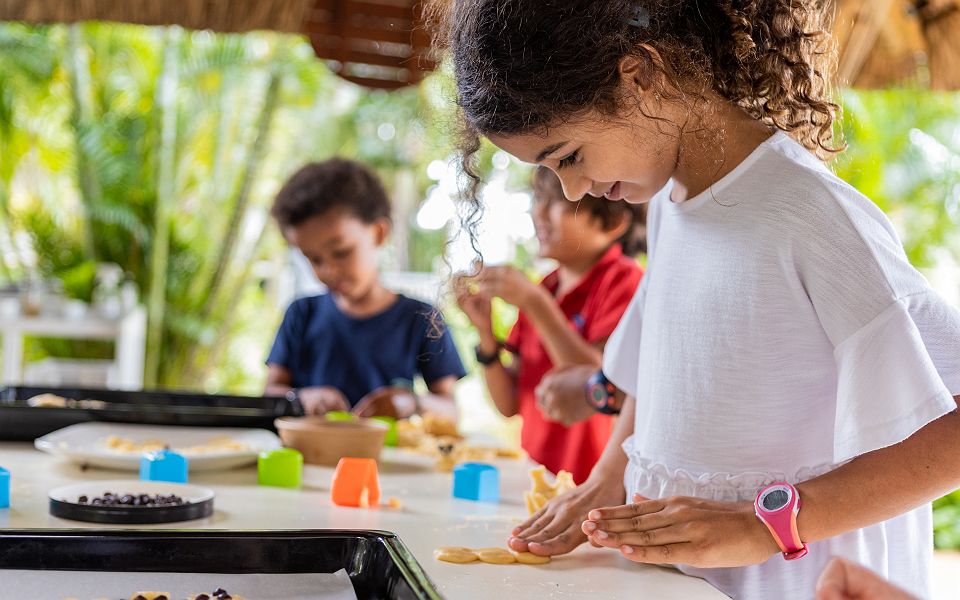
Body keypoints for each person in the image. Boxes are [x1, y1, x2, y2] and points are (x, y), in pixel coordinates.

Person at [433, 1, 960, 598]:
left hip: (801, 581)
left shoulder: (811, 216)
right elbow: (654, 373)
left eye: (569, 157)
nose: (573, 190)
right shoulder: (668, 205)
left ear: (642, 75)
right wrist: (608, 477)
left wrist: (764, 525)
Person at [455, 167, 645, 483]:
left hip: (593, 486)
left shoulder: (624, 281)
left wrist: (535, 303)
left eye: (559, 201)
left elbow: (602, 383)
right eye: (538, 198)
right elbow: (509, 404)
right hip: (536, 479)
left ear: (613, 222)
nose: (538, 213)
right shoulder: (546, 287)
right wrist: (485, 334)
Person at [265, 158, 466, 419]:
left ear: (379, 233)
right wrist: (301, 398)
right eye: (314, 259)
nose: (329, 270)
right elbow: (270, 393)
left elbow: (450, 411)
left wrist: (410, 402)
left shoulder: (423, 318)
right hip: (309, 445)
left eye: (341, 252)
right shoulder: (301, 313)